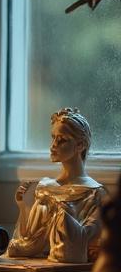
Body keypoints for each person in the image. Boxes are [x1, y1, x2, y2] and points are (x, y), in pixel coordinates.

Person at [6, 107, 109, 263]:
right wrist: (24, 208)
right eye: (53, 138)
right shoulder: (45, 188)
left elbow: (83, 243)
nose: (53, 145)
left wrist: (63, 213)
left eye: (61, 140)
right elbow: (27, 244)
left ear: (80, 145)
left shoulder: (95, 194)